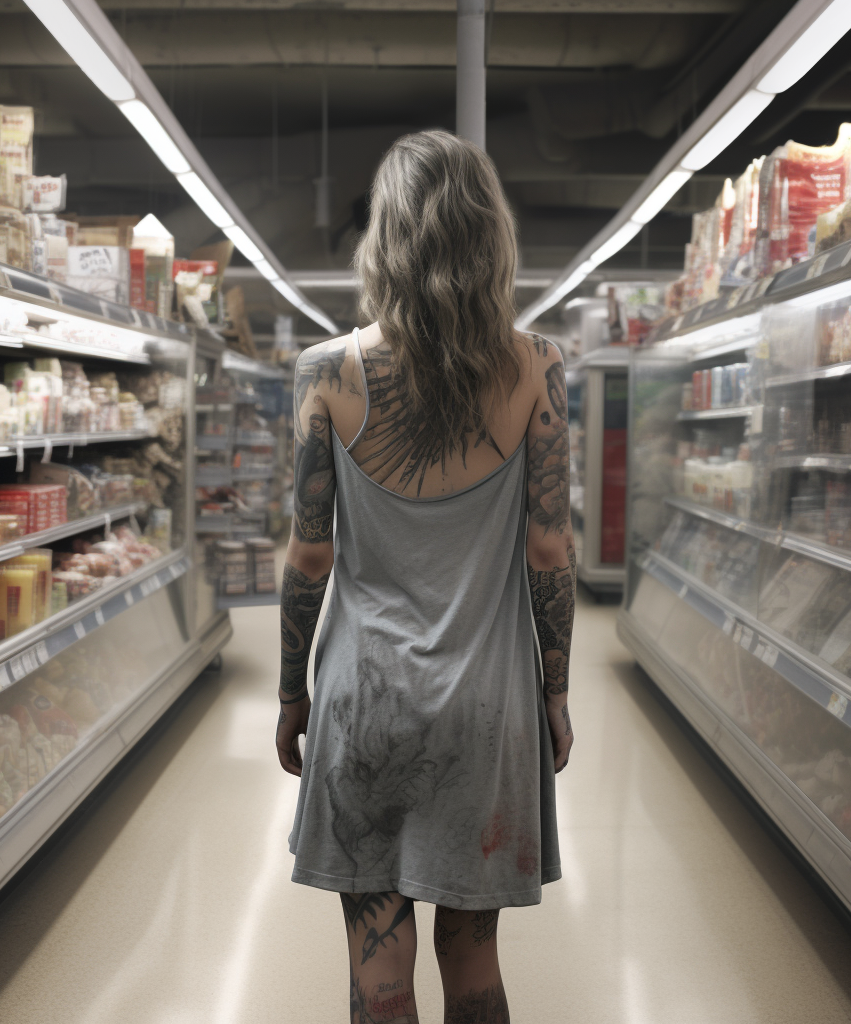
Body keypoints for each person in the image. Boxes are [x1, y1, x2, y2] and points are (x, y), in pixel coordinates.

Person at [276, 128, 575, 1023]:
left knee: (381, 964)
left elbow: (308, 557)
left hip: (365, 703)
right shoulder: (537, 369)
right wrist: (554, 694)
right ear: (491, 240)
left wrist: (292, 693)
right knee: (473, 957)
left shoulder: (326, 375)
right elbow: (550, 553)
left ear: (385, 243)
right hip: (486, 710)